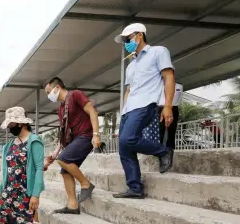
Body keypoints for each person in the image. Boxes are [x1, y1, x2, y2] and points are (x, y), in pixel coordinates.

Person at [113, 23, 174, 198]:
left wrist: (167, 105)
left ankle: (163, 151)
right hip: (129, 109)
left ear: (139, 35)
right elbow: (129, 90)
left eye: (128, 38)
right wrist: (122, 113)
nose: (126, 43)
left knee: (129, 139)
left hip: (146, 104)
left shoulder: (158, 52)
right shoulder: (131, 65)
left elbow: (168, 77)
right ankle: (135, 188)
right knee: (123, 147)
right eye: (124, 40)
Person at [0, 107, 44, 224]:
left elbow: (39, 168)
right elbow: (5, 169)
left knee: (19, 223)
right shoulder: (9, 145)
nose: (10, 128)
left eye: (12, 124)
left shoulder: (34, 141)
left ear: (21, 123)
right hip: (9, 189)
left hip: (24, 191)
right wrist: (1, 188)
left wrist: (35, 194)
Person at [43, 77, 101, 213]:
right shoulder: (61, 109)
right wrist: (55, 151)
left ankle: (85, 184)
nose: (48, 96)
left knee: (64, 159)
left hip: (86, 136)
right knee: (65, 170)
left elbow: (92, 111)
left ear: (57, 88)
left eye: (48, 92)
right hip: (75, 140)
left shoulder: (76, 94)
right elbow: (63, 132)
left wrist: (96, 134)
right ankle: (72, 205)